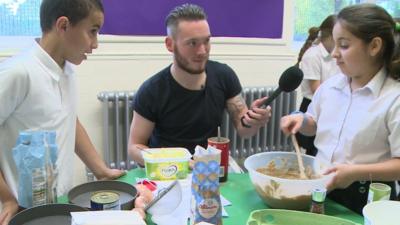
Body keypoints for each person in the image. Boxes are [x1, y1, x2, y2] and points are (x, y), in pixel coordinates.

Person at [0, 0, 128, 224]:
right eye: (93, 31)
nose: (95, 44)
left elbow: (68, 119)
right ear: (63, 25)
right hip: (21, 210)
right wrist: (7, 199)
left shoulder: (67, 69)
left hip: (56, 201)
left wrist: (100, 169)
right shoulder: (18, 73)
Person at [281, 3, 400, 214]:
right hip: (320, 184)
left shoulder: (394, 98)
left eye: (343, 45)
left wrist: (354, 173)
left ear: (374, 46)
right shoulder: (330, 86)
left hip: (365, 196)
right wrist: (302, 121)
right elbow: (315, 125)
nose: (334, 54)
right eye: (334, 44)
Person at [128, 3, 271, 166]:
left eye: (207, 41)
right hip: (169, 171)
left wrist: (254, 121)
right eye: (192, 43)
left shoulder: (224, 76)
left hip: (209, 168)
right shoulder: (152, 90)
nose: (202, 51)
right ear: (170, 44)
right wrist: (179, 162)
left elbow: (244, 130)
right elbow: (134, 147)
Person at [296, 15, 340, 156]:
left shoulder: (335, 55)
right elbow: (317, 90)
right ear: (332, 36)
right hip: (314, 105)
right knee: (314, 151)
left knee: (328, 148)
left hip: (333, 105)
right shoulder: (313, 55)